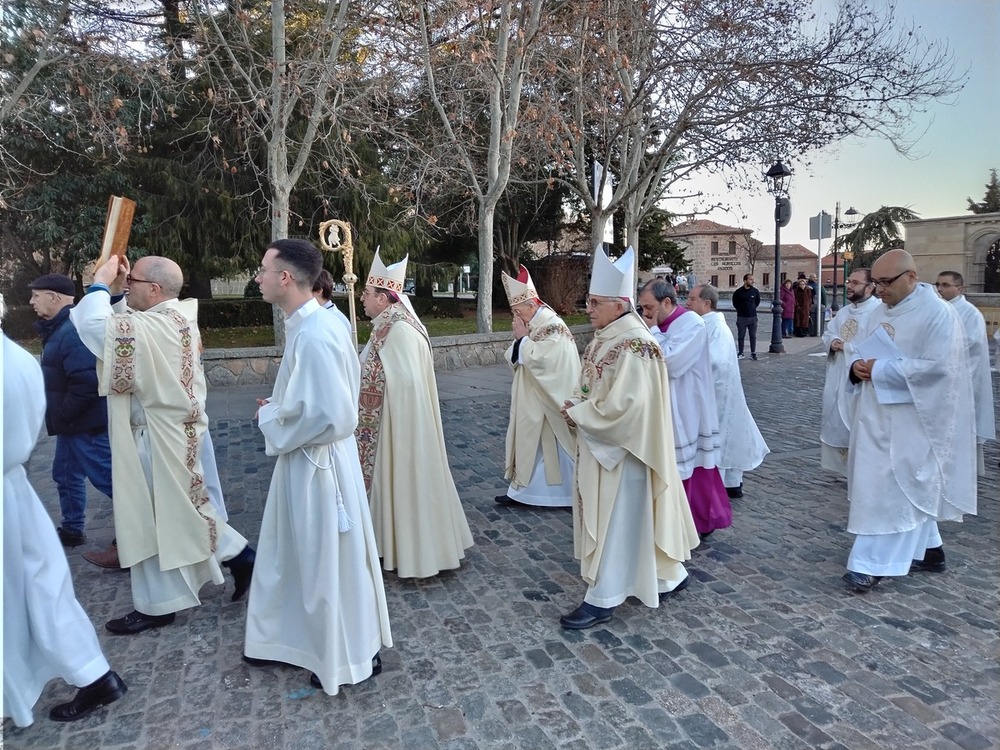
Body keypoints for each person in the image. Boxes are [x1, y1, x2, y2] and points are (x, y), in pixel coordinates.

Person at [70, 255, 256, 634]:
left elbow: (93, 326)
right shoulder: (176, 317)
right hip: (171, 431)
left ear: (154, 289)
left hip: (157, 435)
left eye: (133, 281)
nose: (127, 285)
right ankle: (236, 558)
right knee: (175, 514)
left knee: (153, 517)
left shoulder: (156, 326)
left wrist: (100, 283)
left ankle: (165, 602)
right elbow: (124, 329)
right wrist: (120, 288)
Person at [245, 239, 391, 694]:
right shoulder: (307, 324)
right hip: (310, 458)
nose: (259, 277)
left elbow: (332, 415)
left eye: (264, 270)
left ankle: (346, 654)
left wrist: (271, 415)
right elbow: (313, 399)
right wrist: (282, 404)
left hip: (321, 463)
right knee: (300, 554)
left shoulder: (316, 331)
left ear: (285, 278)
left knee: (329, 560)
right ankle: (292, 639)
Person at [558, 248, 699, 629]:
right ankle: (667, 576)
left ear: (619, 305)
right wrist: (578, 401)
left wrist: (579, 413)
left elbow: (628, 409)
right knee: (632, 520)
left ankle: (603, 597)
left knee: (617, 522)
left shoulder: (636, 344)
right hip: (609, 446)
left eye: (595, 302)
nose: (588, 308)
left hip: (624, 452)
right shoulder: (608, 336)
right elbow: (597, 387)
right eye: (588, 301)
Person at [3, 324, 127, 727]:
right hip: (14, 485)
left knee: (34, 590)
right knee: (40, 587)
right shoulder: (19, 358)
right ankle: (91, 674)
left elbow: (84, 378)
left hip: (17, 481)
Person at [842, 250, 977, 592]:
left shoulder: (938, 314)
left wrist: (881, 369)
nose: (880, 289)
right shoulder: (878, 312)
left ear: (912, 277)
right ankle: (931, 550)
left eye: (886, 282)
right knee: (881, 487)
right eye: (876, 282)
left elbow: (941, 367)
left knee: (894, 487)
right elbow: (861, 349)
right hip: (873, 415)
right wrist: (857, 368)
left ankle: (870, 562)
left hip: (914, 419)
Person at [357, 249, 473, 578]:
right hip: (385, 425)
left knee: (405, 483)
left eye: (367, 294)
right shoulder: (386, 325)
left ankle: (413, 551)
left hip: (399, 430)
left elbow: (406, 387)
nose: (362, 299)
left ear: (383, 298)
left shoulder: (401, 330)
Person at [638, 279, 733, 538]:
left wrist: (650, 331)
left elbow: (671, 362)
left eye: (649, 307)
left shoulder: (692, 323)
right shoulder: (661, 323)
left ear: (667, 302)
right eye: (642, 308)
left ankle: (695, 522)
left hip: (688, 404)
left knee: (690, 467)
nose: (645, 313)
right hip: (665, 403)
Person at [27, 273, 113, 548]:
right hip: (72, 424)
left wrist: (63, 414)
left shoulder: (72, 330)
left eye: (36, 296)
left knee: (108, 479)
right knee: (64, 475)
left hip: (84, 425)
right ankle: (72, 529)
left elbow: (87, 382)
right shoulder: (59, 328)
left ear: (54, 297)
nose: (31, 302)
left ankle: (145, 530)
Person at [495, 265, 580, 509]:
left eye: (517, 311)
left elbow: (546, 361)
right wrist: (521, 341)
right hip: (535, 397)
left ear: (531, 306)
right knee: (533, 445)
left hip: (550, 398)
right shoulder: (535, 324)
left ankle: (562, 495)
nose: (515, 316)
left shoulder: (553, 326)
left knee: (550, 447)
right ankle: (522, 493)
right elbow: (518, 355)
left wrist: (522, 340)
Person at [686, 285, 769, 498]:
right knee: (726, 436)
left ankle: (722, 485)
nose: (687, 303)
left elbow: (716, 362)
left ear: (707, 303)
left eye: (692, 299)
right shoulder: (704, 325)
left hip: (717, 395)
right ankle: (731, 482)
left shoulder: (717, 328)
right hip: (714, 393)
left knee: (721, 438)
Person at [819, 269, 880, 476]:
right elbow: (829, 332)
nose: (849, 286)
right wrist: (833, 342)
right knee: (836, 417)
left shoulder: (878, 312)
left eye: (855, 282)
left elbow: (878, 345)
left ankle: (860, 468)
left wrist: (849, 348)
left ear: (870, 287)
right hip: (838, 373)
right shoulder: (844, 312)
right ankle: (842, 467)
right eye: (849, 281)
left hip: (860, 376)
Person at [935, 271, 996, 474]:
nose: (940, 289)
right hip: (940, 378)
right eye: (938, 284)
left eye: (945, 285)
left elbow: (969, 344)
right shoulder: (939, 309)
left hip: (963, 380)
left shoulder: (970, 313)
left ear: (959, 288)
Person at [731, 273, 760, 359]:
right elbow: (735, 303)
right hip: (741, 317)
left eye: (752, 279)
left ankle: (753, 352)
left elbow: (757, 302)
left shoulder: (755, 291)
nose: (752, 281)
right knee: (741, 336)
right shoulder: (738, 292)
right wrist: (741, 309)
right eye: (750, 279)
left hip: (753, 317)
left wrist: (752, 308)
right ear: (745, 281)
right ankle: (741, 352)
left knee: (753, 336)